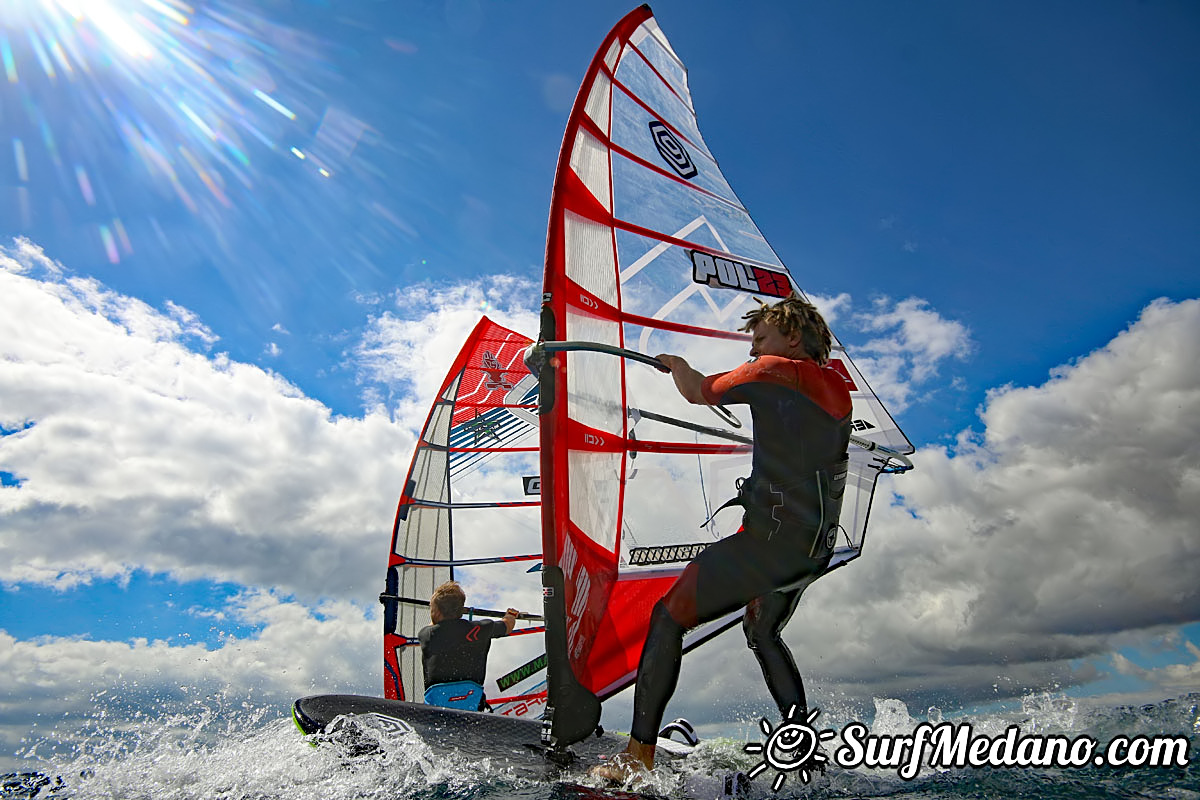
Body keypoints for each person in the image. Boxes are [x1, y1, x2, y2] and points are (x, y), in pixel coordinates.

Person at [593, 293, 851, 780]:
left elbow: (698, 390)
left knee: (668, 618)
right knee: (762, 630)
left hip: (769, 550)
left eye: (760, 339)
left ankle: (637, 759)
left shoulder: (776, 370)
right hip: (811, 551)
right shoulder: (836, 385)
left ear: (791, 338)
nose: (754, 352)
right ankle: (805, 751)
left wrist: (676, 363)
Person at [418, 580, 520, 711]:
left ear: (436, 612)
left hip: (437, 703)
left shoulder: (426, 634)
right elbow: (507, 626)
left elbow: (434, 625)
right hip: (470, 699)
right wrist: (510, 615)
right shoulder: (482, 628)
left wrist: (437, 610)